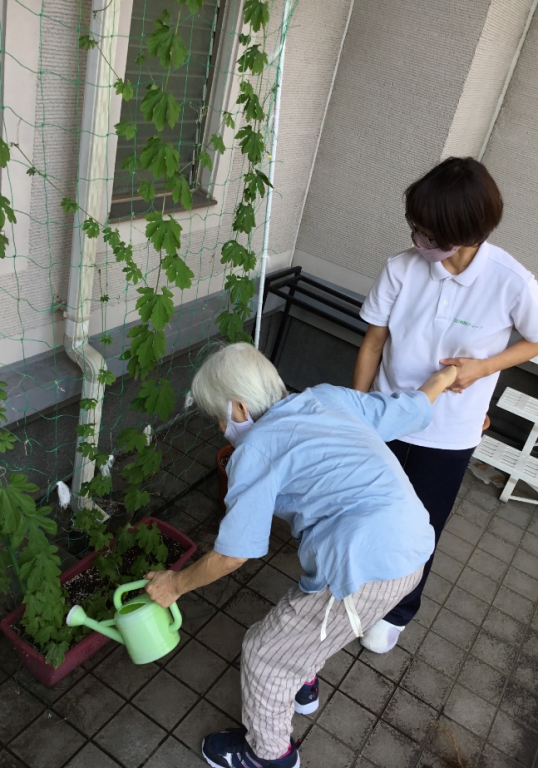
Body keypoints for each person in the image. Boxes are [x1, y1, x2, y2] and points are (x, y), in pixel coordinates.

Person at [145, 342, 457, 768]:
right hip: (413, 546)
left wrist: (174, 585)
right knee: (309, 619)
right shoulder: (327, 397)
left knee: (265, 654)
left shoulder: (255, 450)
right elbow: (408, 410)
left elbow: (234, 554)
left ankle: (269, 755)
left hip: (362, 568)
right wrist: (444, 378)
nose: (221, 426)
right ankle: (303, 679)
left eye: (218, 416)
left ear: (238, 408)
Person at [354, 156, 538, 655]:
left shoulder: (510, 281)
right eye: (415, 227)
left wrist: (483, 368)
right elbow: (373, 342)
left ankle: (397, 611)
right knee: (369, 510)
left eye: (427, 232)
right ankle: (358, 588)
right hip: (388, 414)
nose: (416, 239)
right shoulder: (400, 268)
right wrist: (360, 408)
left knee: (423, 526)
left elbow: (535, 340)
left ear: (463, 232)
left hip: (450, 431)